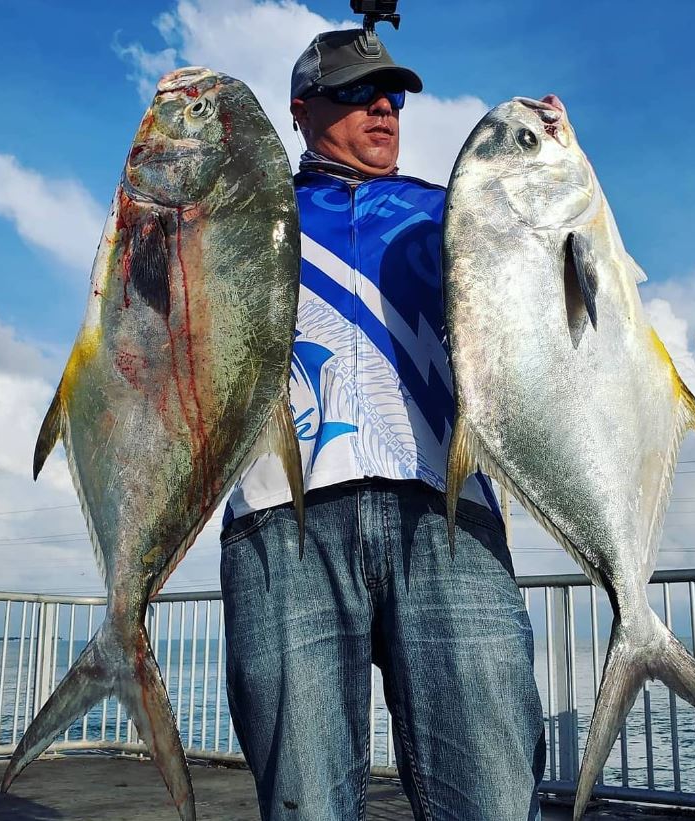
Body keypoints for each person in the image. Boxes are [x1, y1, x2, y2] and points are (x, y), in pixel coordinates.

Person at [220, 27, 546, 821]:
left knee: (495, 799)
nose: (382, 108)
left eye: (393, 95)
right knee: (304, 804)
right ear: (301, 112)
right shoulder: (243, 222)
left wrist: (546, 164)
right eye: (356, 94)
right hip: (279, 516)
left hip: (447, 508)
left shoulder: (455, 211)